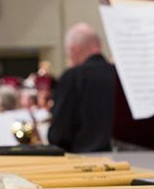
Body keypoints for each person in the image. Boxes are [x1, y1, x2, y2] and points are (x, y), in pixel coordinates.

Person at [47, 23, 116, 152]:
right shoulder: (121, 75)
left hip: (83, 161)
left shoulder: (72, 77)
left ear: (74, 49)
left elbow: (60, 132)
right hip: (125, 159)